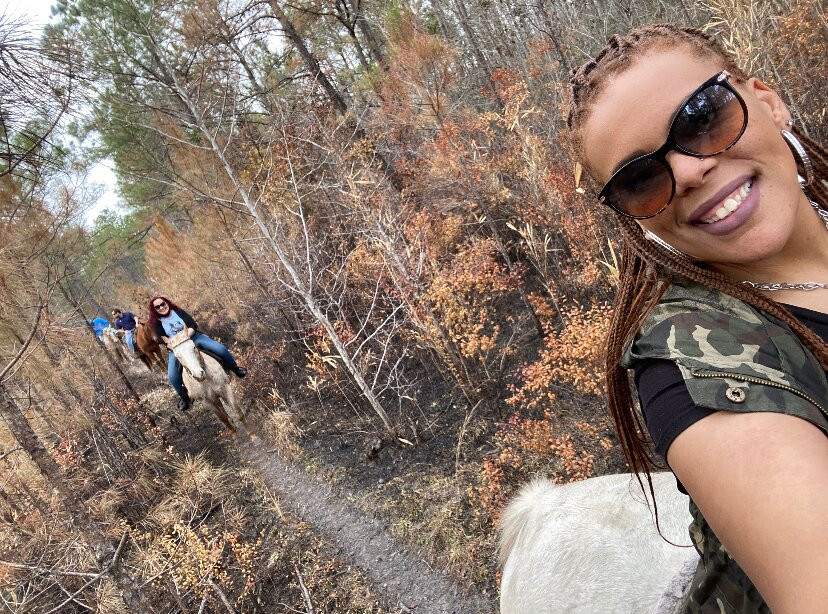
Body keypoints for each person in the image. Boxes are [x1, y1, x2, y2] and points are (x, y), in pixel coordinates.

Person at [567, 25, 828, 612]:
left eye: (701, 117)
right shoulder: (686, 365)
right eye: (640, 179)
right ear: (634, 217)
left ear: (766, 101)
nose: (687, 172)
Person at [146, 296, 247, 411]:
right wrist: (178, 345)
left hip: (193, 337)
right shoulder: (156, 323)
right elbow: (164, 341)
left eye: (163, 304)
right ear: (154, 310)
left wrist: (186, 338)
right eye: (157, 307)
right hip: (176, 347)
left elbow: (192, 325)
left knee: (220, 349)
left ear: (167, 303)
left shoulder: (178, 312)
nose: (161, 307)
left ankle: (235, 368)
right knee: (172, 375)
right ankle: (184, 397)